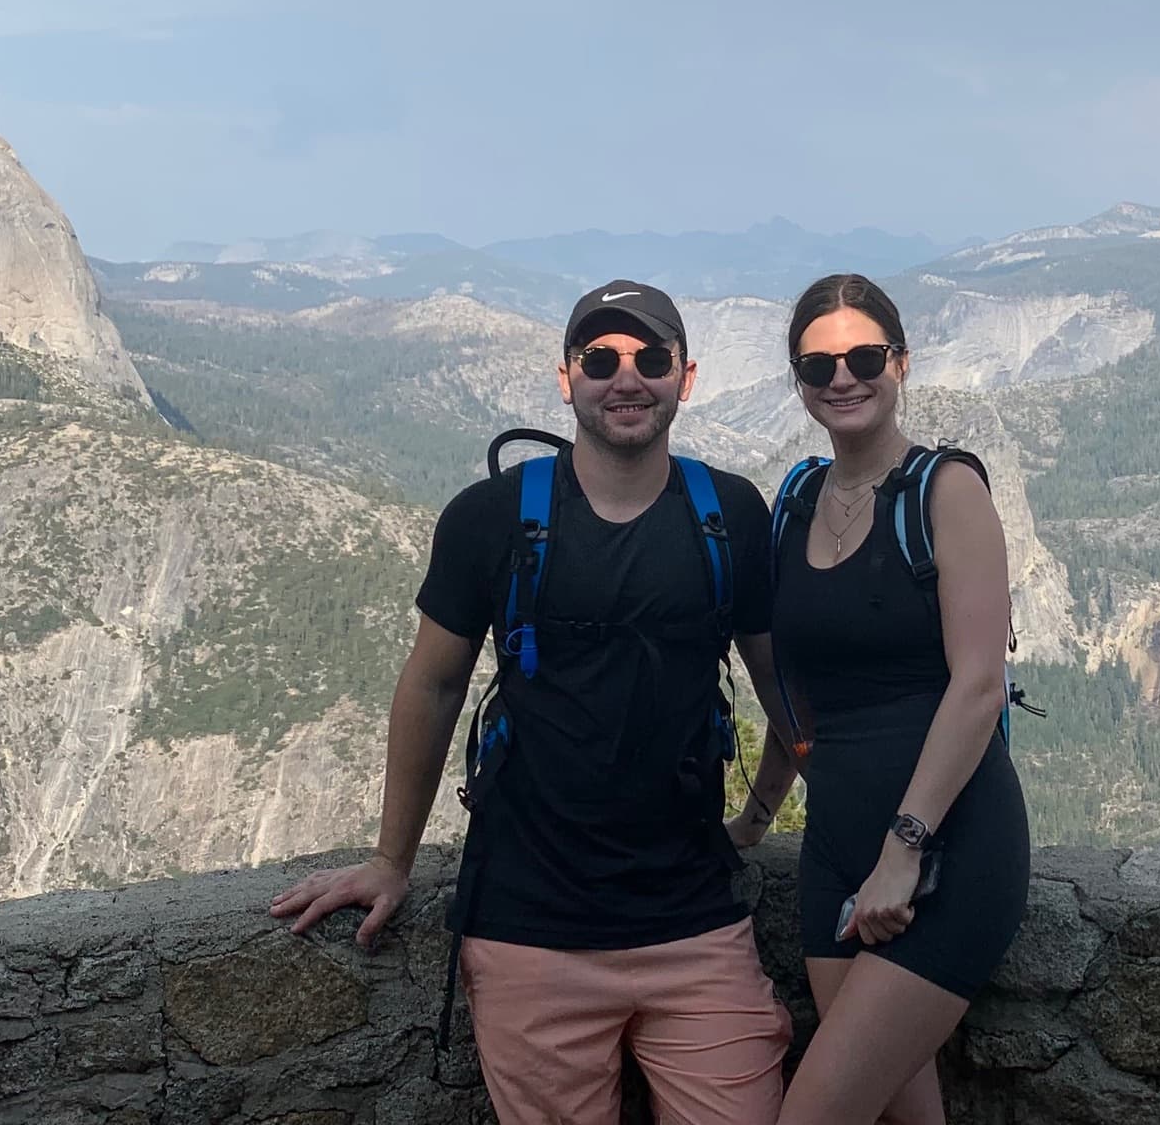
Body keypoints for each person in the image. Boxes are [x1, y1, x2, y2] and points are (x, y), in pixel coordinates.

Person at [273, 279, 796, 1125]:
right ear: (566, 378)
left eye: (650, 358)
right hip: (528, 931)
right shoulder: (490, 519)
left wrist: (760, 820)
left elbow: (784, 689)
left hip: (697, 928)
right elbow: (433, 685)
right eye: (600, 359)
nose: (626, 378)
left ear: (685, 377)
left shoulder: (729, 514)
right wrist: (391, 861)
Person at [731, 272, 1032, 1125]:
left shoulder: (946, 492)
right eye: (818, 366)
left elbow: (977, 689)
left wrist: (905, 848)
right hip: (833, 853)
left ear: (901, 363)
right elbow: (793, 695)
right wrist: (755, 822)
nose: (843, 379)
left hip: (948, 850)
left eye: (864, 357)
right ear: (798, 382)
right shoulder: (792, 503)